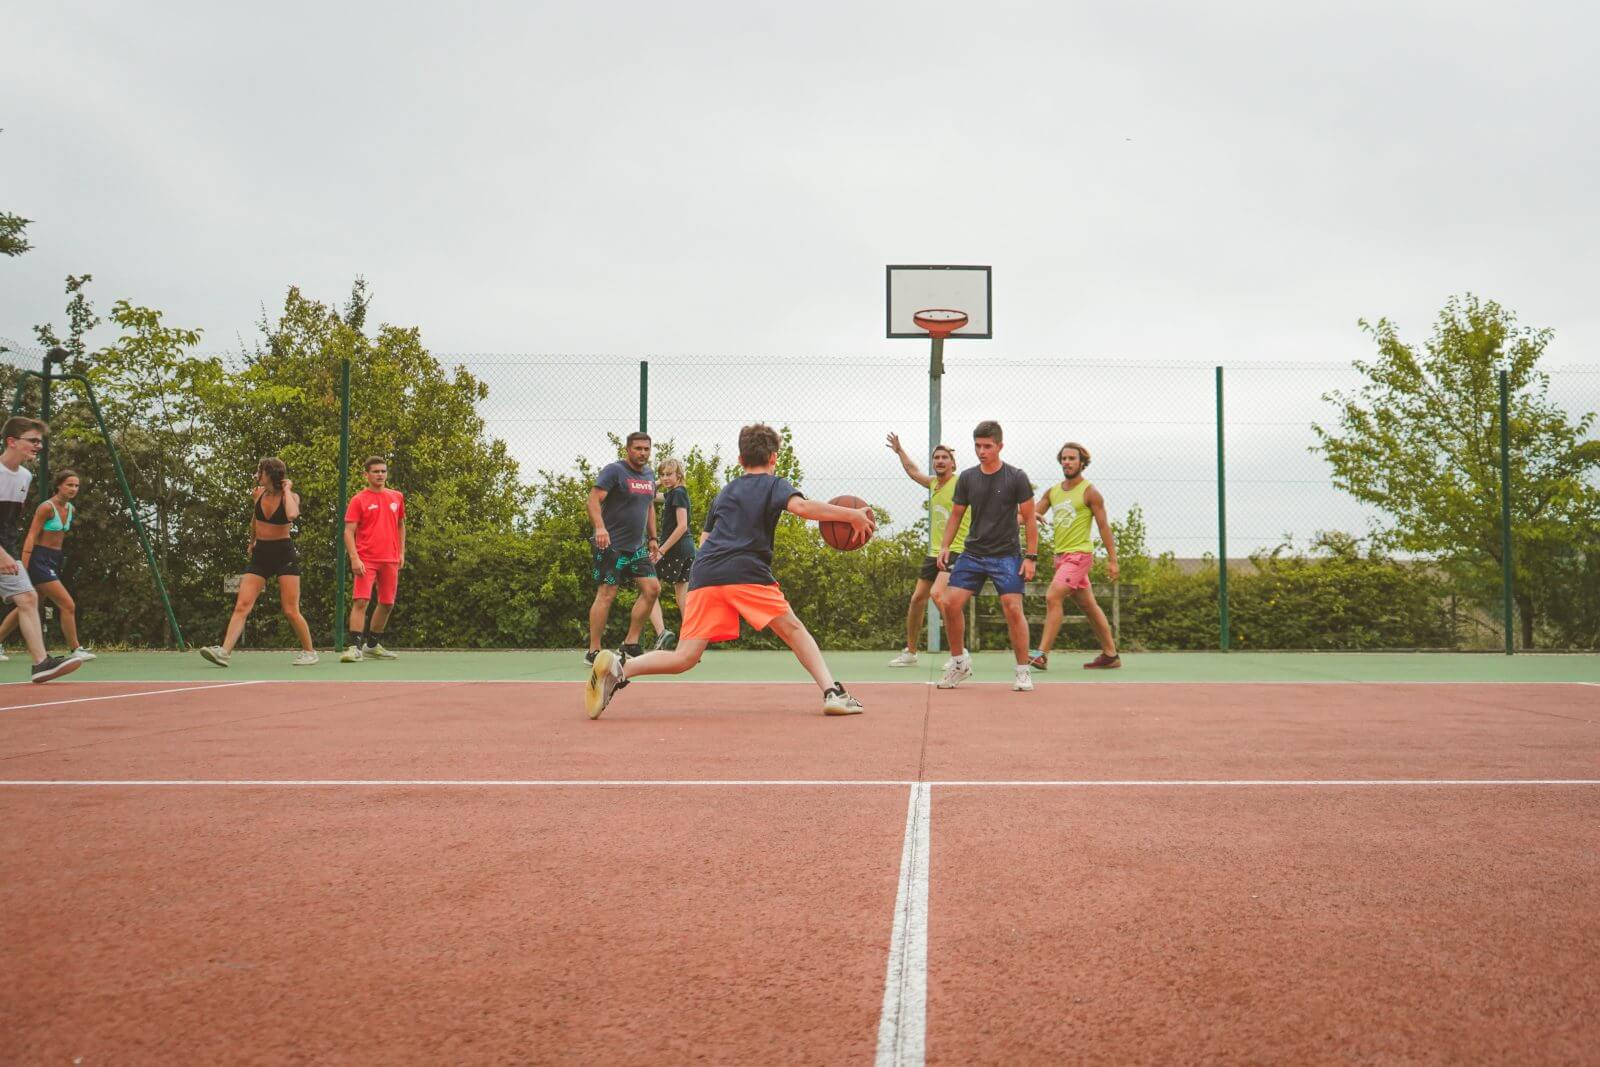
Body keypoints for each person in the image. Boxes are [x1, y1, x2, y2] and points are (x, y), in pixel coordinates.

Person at [585, 422, 874, 719]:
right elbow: (801, 508)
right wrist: (850, 514)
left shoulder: (725, 492)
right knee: (793, 629)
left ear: (740, 460)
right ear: (774, 457)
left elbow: (705, 540)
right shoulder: (775, 484)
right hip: (746, 571)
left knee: (684, 657)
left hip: (706, 573)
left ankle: (621, 668)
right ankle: (832, 692)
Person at [934, 420, 1039, 692]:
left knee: (1013, 608)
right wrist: (945, 546)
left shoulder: (1016, 477)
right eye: (978, 446)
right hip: (973, 553)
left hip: (1006, 555)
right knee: (949, 603)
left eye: (987, 446)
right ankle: (959, 663)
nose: (982, 451)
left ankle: (1023, 671)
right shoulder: (968, 477)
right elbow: (956, 515)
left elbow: (1029, 519)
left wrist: (1031, 556)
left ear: (1000, 446)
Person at [199, 457, 318, 667]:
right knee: (242, 604)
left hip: (284, 554)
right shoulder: (258, 494)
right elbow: (255, 518)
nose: (257, 475)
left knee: (290, 609)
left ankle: (309, 652)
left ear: (270, 474)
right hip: (261, 553)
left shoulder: (291, 497)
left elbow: (292, 514)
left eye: (260, 472)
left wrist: (288, 490)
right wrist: (252, 540)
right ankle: (224, 652)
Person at [0, 418, 83, 682]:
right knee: (28, 598)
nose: (38, 446)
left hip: (6, 550)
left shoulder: (25, 477)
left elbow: (8, 523)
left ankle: (41, 664)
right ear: (12, 441)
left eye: (40, 441)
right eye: (32, 440)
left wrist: (9, 553)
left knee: (27, 598)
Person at [1030, 442, 1122, 670]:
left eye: (1072, 459)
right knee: (1089, 605)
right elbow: (1030, 514)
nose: (1067, 462)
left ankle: (1042, 654)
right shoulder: (1053, 492)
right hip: (1060, 558)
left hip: (1079, 556)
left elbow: (1103, 527)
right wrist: (1021, 513)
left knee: (1053, 596)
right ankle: (1111, 655)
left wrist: (1112, 560)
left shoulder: (1090, 492)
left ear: (1082, 463)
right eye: (1064, 458)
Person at [884, 432, 970, 667]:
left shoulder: (962, 483)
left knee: (938, 595)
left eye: (944, 457)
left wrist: (1022, 513)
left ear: (953, 463)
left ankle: (959, 653)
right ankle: (911, 652)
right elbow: (912, 471)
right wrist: (900, 450)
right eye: (936, 458)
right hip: (934, 551)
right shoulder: (933, 483)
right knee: (917, 599)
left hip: (956, 549)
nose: (940, 461)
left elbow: (988, 501)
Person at [0, 468, 94, 660]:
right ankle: (76, 649)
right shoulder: (46, 507)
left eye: (76, 486)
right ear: (58, 486)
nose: (73, 489)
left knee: (26, 607)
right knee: (68, 604)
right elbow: (32, 535)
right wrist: (24, 566)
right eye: (69, 485)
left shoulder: (71, 509)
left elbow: (58, 539)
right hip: (38, 560)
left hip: (54, 559)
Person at [586, 432, 660, 662]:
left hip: (637, 547)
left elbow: (649, 507)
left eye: (646, 449)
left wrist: (653, 539)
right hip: (610, 544)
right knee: (607, 593)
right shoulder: (615, 471)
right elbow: (593, 500)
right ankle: (593, 650)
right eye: (638, 448)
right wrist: (600, 528)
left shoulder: (649, 475)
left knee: (652, 589)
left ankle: (630, 643)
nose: (642, 453)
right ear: (628, 449)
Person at [340, 456, 406, 662]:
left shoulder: (396, 497)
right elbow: (348, 532)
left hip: (390, 559)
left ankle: (372, 646)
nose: (380, 475)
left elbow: (401, 525)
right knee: (361, 601)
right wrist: (354, 558)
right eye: (376, 471)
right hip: (365, 559)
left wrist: (401, 552)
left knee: (387, 603)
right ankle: (354, 647)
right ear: (366, 475)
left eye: (383, 471)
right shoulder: (358, 500)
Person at [646, 457, 693, 651]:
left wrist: (662, 550)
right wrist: (658, 481)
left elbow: (682, 526)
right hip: (687, 550)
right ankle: (690, 643)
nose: (665, 478)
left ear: (679, 475)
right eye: (662, 474)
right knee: (682, 596)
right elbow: (650, 495)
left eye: (669, 474)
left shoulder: (679, 493)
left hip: (675, 550)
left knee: (647, 589)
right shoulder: (674, 493)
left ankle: (661, 634)